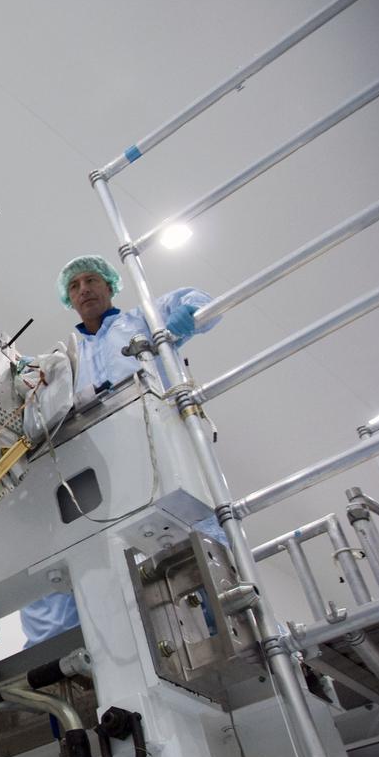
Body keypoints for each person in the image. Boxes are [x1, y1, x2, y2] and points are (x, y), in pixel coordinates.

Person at [20, 254, 221, 647]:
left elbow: (202, 304)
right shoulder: (68, 353)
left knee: (194, 531)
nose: (84, 290)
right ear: (69, 299)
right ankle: (59, 655)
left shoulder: (142, 319)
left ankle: (225, 619)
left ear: (110, 286)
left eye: (91, 280)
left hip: (156, 438)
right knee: (69, 558)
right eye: (75, 286)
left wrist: (186, 316)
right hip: (97, 457)